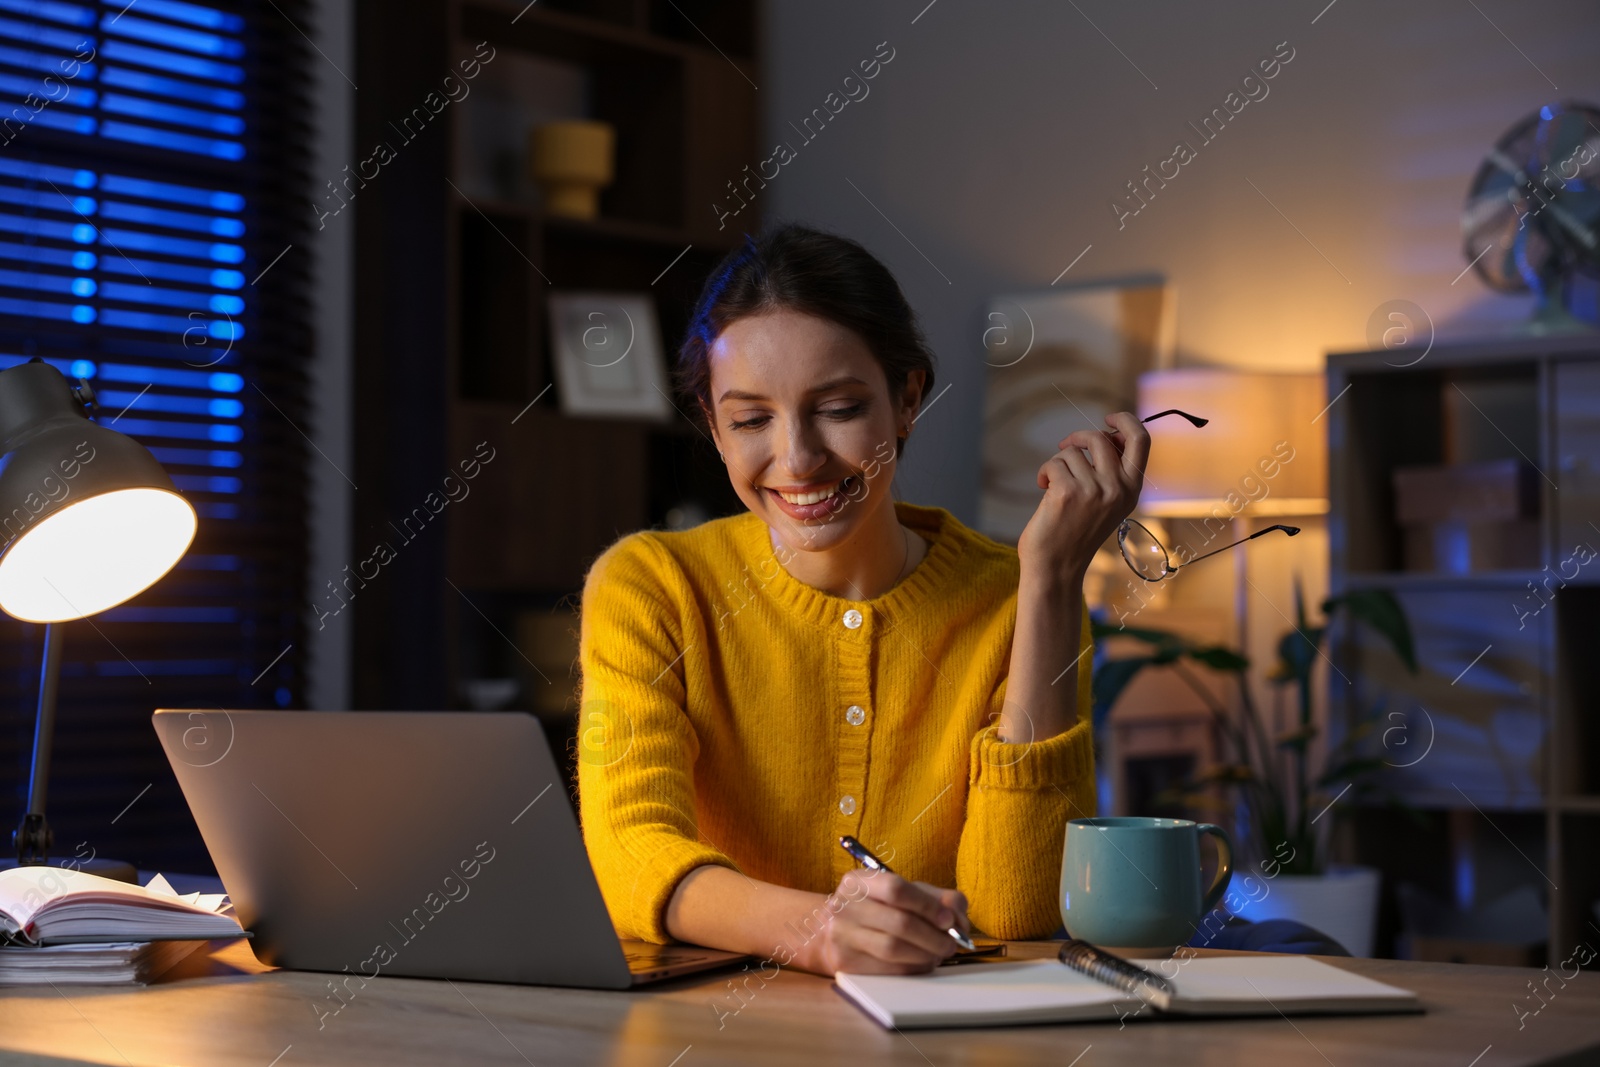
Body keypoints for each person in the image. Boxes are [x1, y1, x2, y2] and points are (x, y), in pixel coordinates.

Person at [576, 223, 1147, 976]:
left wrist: (1048, 582)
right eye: (750, 419)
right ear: (714, 428)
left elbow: (1019, 910)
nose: (798, 458)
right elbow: (630, 851)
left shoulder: (1018, 599)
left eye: (838, 408)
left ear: (907, 398)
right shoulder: (651, 587)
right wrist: (817, 929)